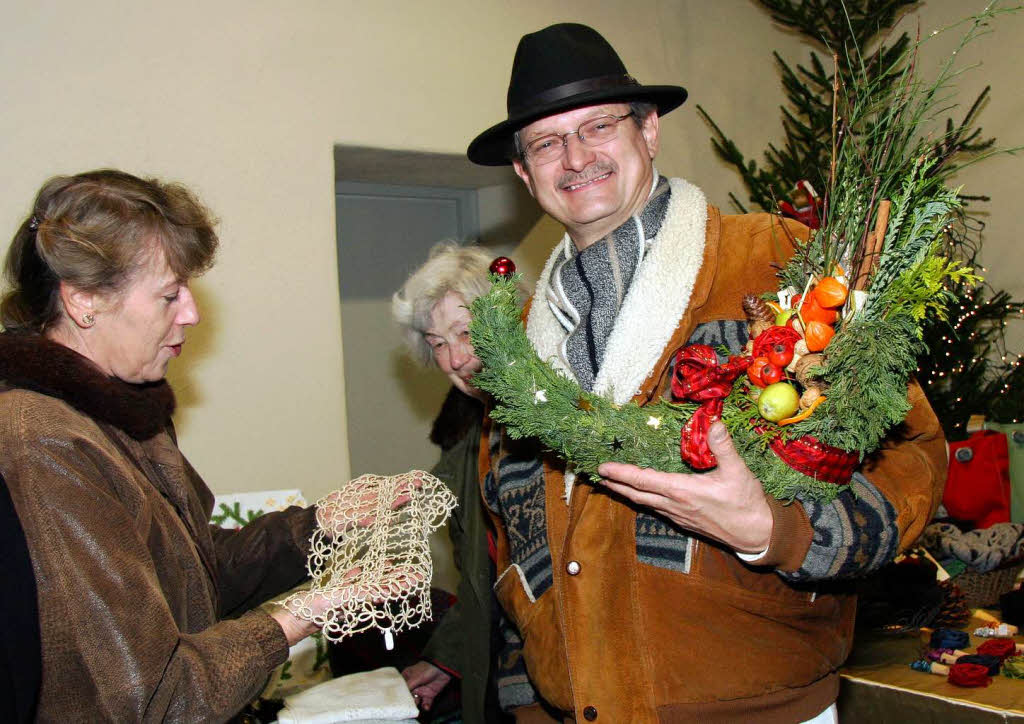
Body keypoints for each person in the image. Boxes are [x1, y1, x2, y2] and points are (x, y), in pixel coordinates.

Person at [466, 24, 947, 723]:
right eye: (546, 142)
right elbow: (511, 542)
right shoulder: (517, 339)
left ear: (649, 131)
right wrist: (527, 704)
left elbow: (913, 457)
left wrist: (774, 531)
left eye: (598, 126)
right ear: (523, 172)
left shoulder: (779, 261)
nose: (575, 157)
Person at [0, 170, 395, 721]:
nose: (192, 313)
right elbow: (154, 698)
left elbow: (194, 571)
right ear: (84, 300)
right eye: (168, 294)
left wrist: (322, 524)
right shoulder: (44, 442)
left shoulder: (125, 410)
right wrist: (299, 618)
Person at [392, 241, 517, 722]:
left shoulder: (562, 421)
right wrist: (447, 660)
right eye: (437, 342)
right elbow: (482, 580)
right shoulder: (471, 438)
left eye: (465, 332)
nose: (455, 359)